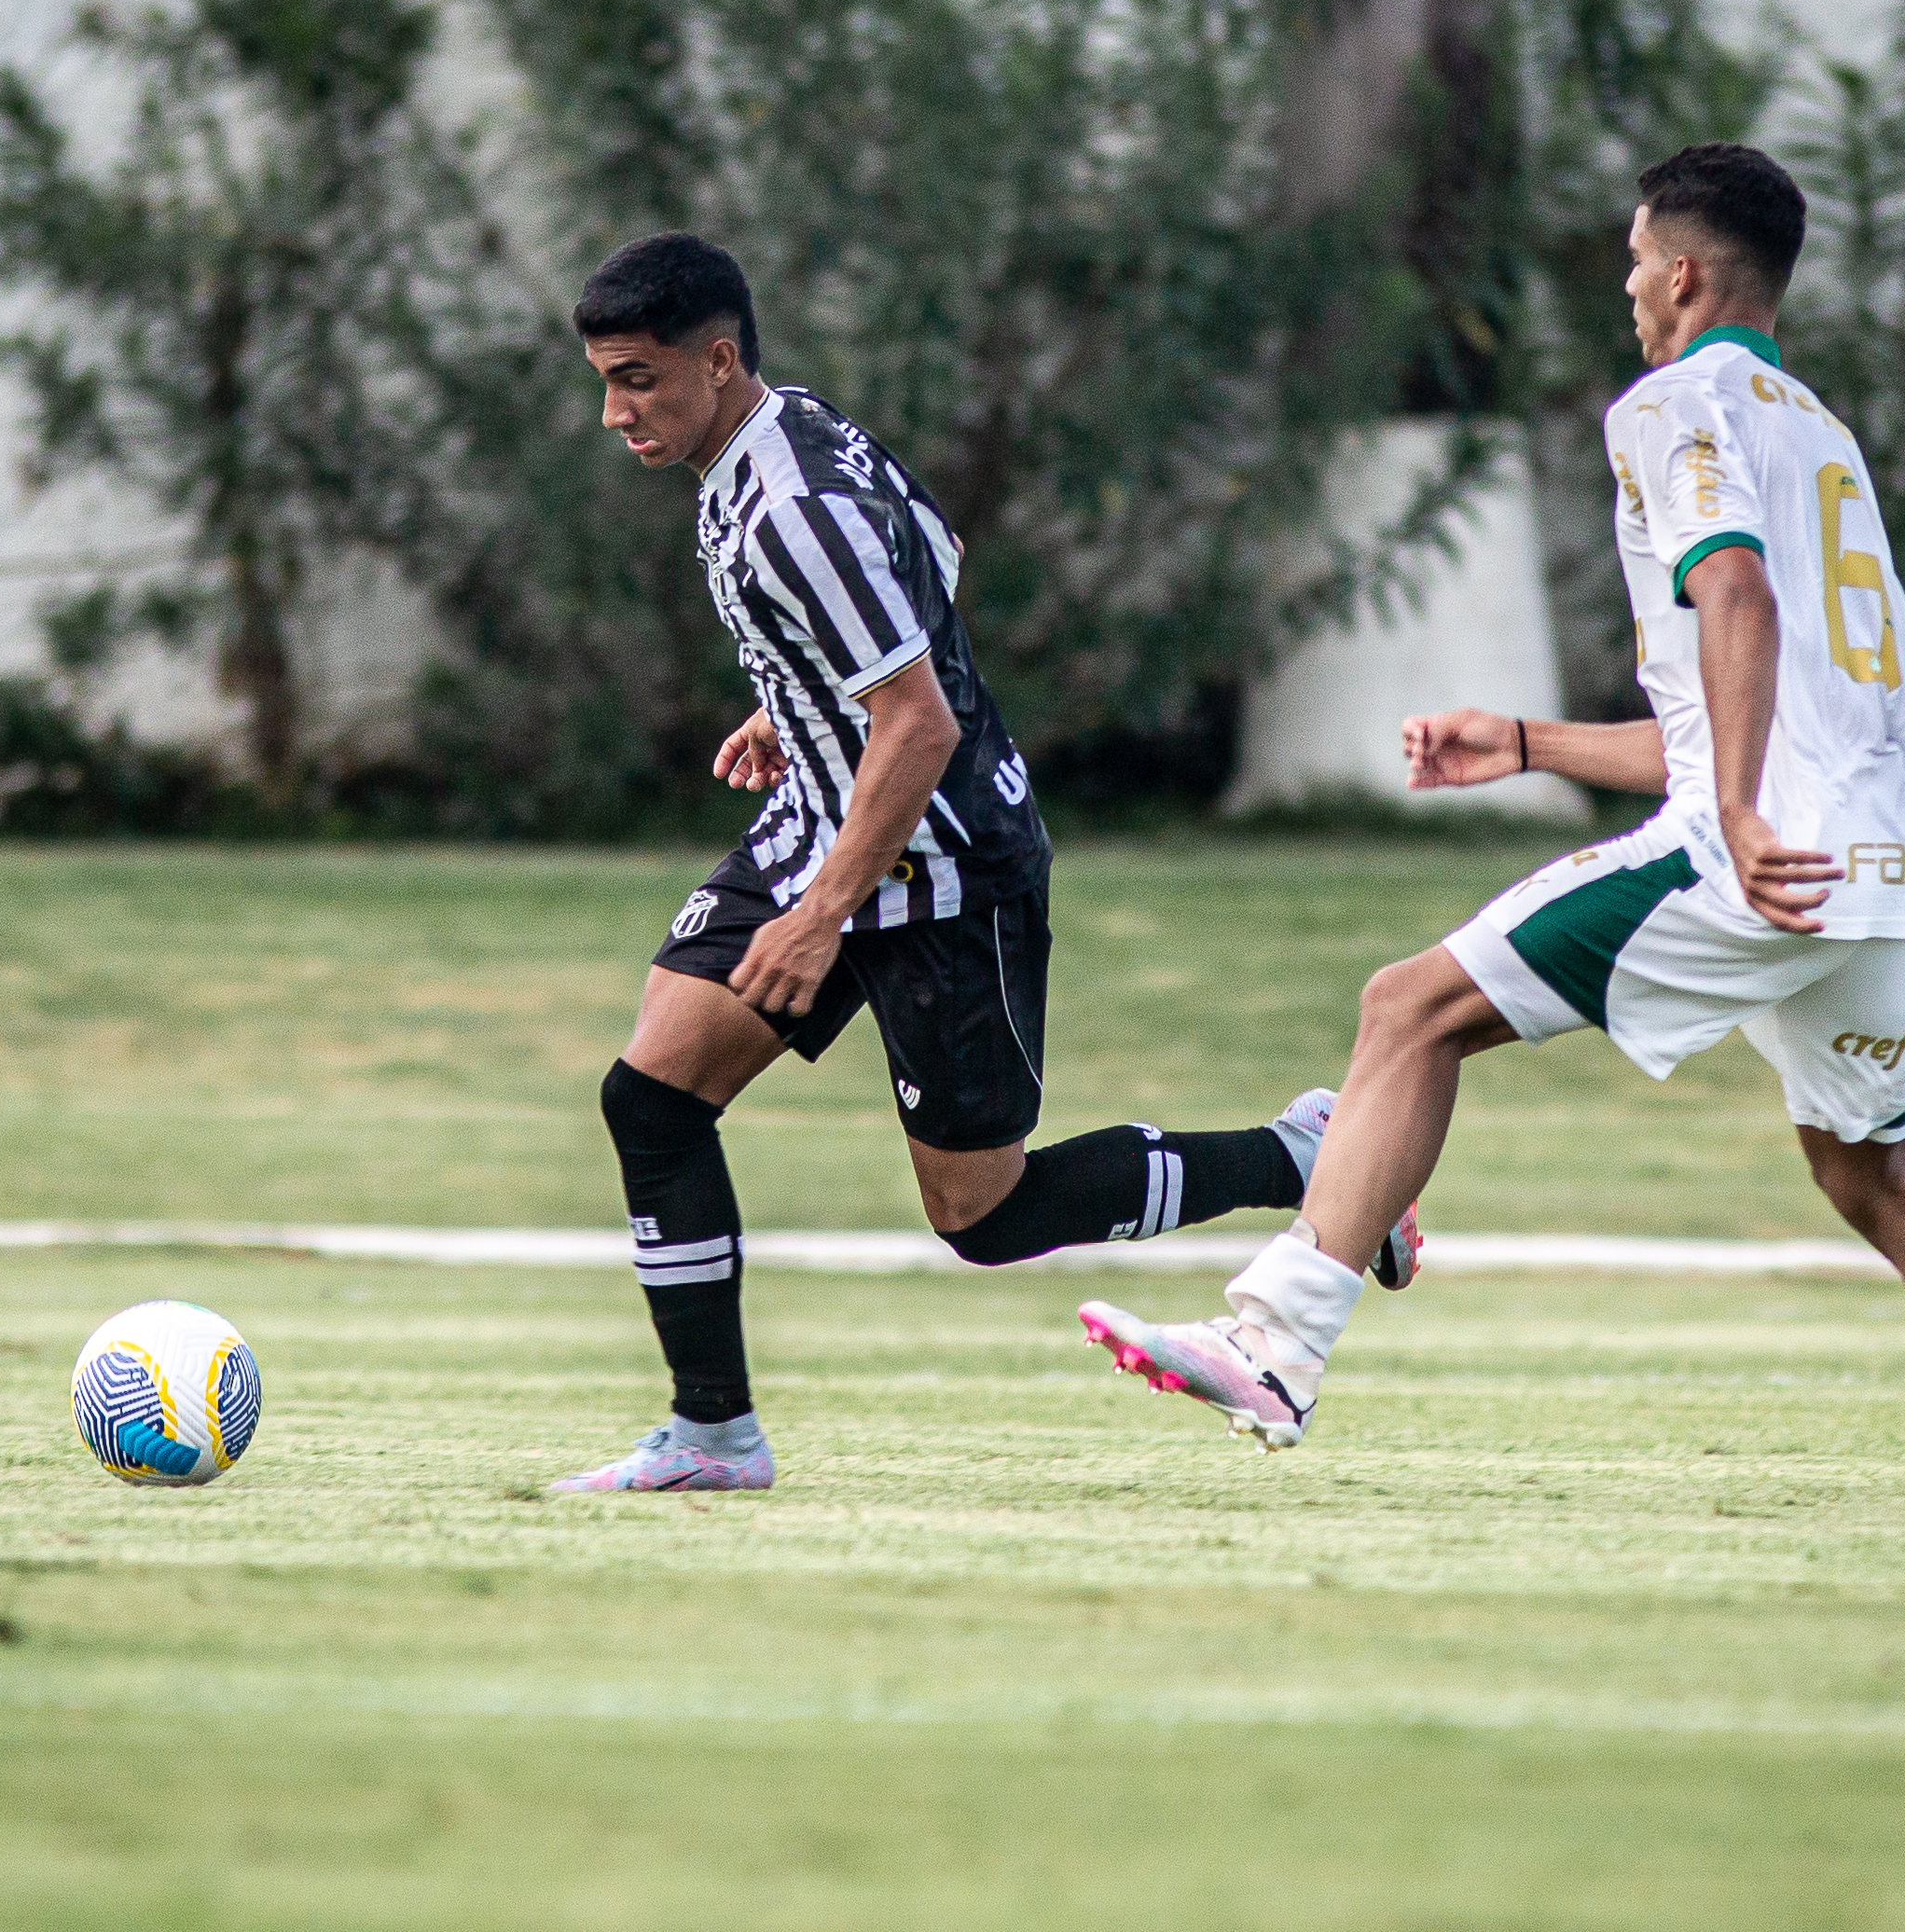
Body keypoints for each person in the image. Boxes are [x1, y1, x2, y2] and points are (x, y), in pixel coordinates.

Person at [1078, 145, 1905, 1521]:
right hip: (1883, 863)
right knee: (1869, 1173)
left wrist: (1728, 816)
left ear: (1685, 272)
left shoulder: (1671, 405)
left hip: (1760, 853)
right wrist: (1529, 744)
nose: (1625, 284)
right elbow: (1751, 700)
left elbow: (1738, 607)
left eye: (1633, 257)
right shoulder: (1819, 434)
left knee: (1408, 1007)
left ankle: (1277, 1342)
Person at [552, 232, 1415, 1493]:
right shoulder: (781, 430)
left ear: (719, 359)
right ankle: (711, 1436)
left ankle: (1309, 1156)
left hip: (942, 868)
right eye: (604, 380)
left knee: (986, 1215)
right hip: (837, 819)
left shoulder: (790, 501)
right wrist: (799, 697)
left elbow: (920, 721)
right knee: (653, 1097)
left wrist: (818, 913)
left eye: (636, 378)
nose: (615, 409)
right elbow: (933, 564)